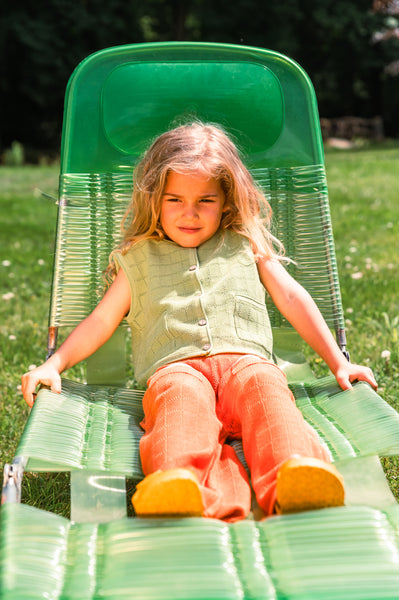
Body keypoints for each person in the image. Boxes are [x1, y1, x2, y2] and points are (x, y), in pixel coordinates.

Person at [21, 122, 377, 521]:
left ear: (226, 200)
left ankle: (295, 477)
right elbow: (102, 319)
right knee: (180, 412)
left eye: (205, 200)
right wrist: (55, 363)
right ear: (154, 199)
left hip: (248, 364)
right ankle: (181, 484)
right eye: (174, 199)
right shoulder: (138, 259)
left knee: (270, 399)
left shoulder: (246, 245)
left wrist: (338, 361)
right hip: (176, 370)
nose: (188, 213)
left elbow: (294, 298)